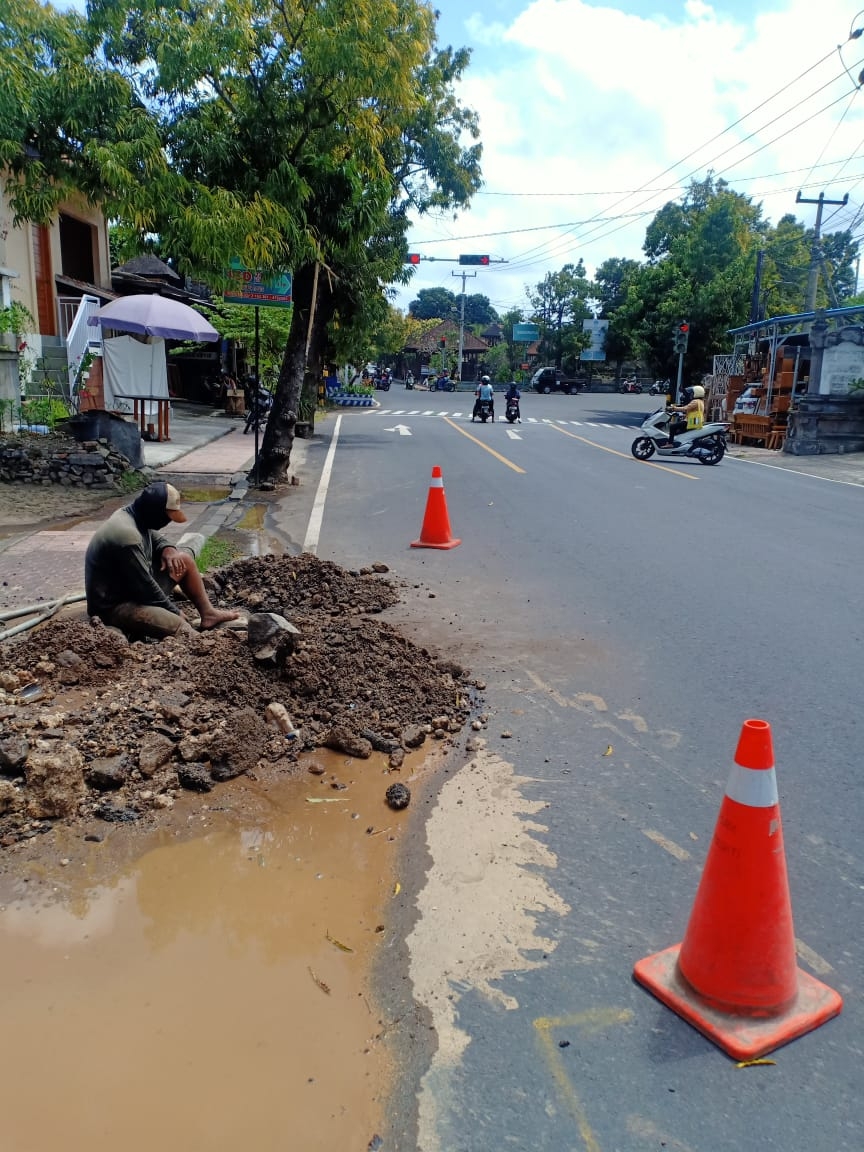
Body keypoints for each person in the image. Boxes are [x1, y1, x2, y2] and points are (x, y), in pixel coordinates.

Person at [85, 482, 240, 640]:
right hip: (114, 606)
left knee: (183, 560)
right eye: (167, 518)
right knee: (180, 626)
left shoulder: (137, 516)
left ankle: (208, 614)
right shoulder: (127, 536)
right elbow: (146, 588)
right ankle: (202, 647)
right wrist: (174, 611)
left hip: (131, 591)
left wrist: (168, 550)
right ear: (154, 513)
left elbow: (155, 537)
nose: (168, 522)